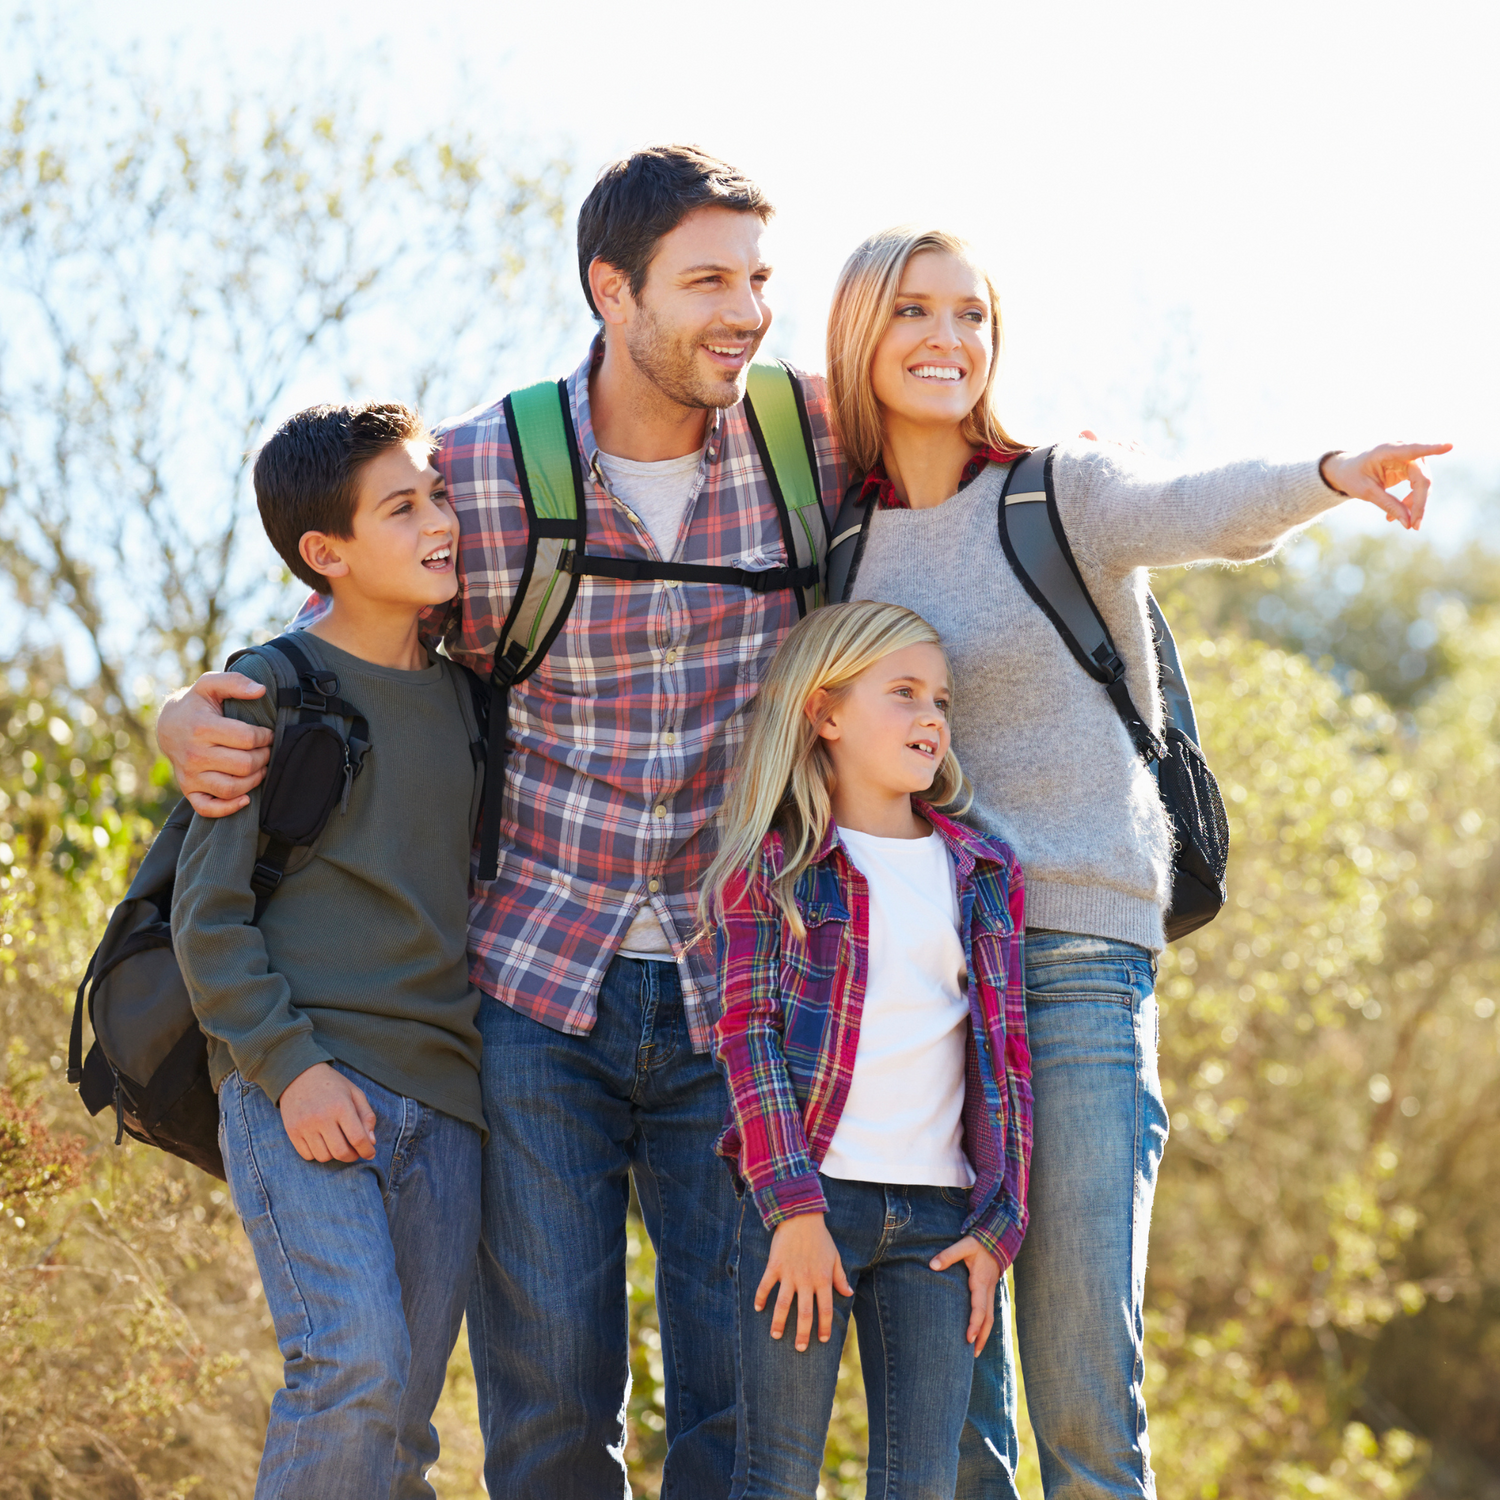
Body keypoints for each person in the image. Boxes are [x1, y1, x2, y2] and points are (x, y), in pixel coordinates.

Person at [155, 146, 847, 1499]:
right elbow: (340, 621)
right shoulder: (478, 469)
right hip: (533, 1000)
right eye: (708, 281)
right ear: (612, 290)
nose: (748, 312)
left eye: (759, 278)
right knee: (547, 1421)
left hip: (740, 990)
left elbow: (961, 442)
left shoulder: (812, 439)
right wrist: (188, 711)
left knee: (745, 1419)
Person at [822, 225, 1451, 1499]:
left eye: (971, 314)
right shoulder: (839, 544)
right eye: (914, 311)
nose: (948, 337)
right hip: (917, 983)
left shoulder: (1062, 489)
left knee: (1081, 1393)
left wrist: (1334, 472)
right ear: (858, 335)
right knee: (949, 1421)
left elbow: (1197, 508)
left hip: (1070, 959)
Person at [172, 402, 485, 1500]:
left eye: (437, 495)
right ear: (327, 552)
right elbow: (207, 919)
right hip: (302, 1081)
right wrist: (291, 1068)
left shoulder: (474, 704)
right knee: (352, 1372)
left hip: (448, 1106)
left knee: (398, 1431)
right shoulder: (270, 688)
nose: (439, 522)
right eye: (401, 508)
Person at [703, 600, 1031, 1500]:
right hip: (812, 1206)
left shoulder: (984, 871)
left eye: (942, 700)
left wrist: (998, 1228)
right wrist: (792, 1210)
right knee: (776, 1477)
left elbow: (1007, 1062)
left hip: (940, 1222)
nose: (932, 717)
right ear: (826, 713)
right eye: (905, 693)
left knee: (922, 1486)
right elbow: (747, 1040)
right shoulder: (775, 868)